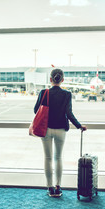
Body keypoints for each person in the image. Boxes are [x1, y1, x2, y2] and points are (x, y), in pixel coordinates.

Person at [34, 68, 87, 198]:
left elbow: (36, 110)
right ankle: (58, 187)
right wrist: (79, 126)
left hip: (45, 129)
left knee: (47, 158)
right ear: (62, 80)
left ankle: (50, 187)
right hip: (61, 130)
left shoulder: (43, 92)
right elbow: (69, 113)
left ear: (50, 79)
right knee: (58, 158)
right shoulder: (67, 94)